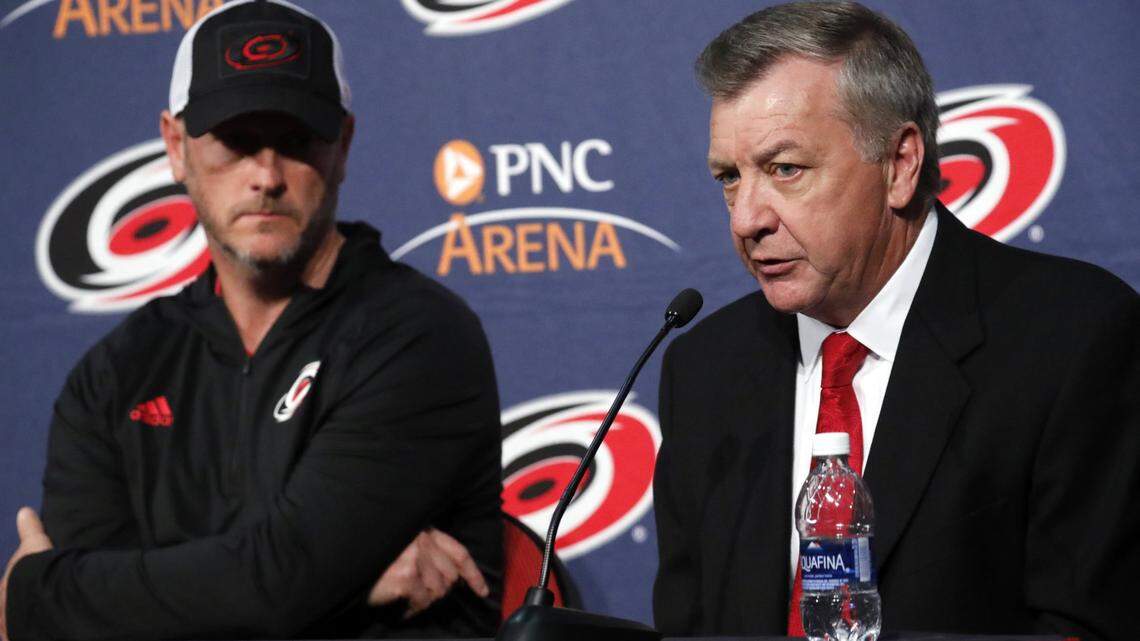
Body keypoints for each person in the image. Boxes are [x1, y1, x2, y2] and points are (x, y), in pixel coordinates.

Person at [0, 1, 503, 638]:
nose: (266, 176)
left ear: (342, 146)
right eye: (236, 141)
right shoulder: (114, 376)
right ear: (176, 147)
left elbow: (275, 584)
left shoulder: (417, 336)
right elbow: (271, 587)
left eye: (295, 141)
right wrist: (340, 588)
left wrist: (40, 597)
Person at [652, 3, 1138, 641]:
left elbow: (1092, 624)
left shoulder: (1071, 337)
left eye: (784, 169)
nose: (747, 219)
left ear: (900, 163)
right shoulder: (705, 368)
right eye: (729, 178)